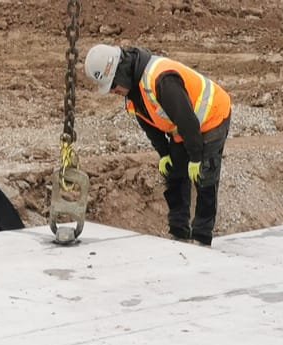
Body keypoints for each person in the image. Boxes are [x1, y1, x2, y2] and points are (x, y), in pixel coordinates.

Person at [84, 43, 232, 246]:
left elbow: (187, 119)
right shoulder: (133, 95)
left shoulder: (161, 79)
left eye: (112, 85)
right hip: (184, 127)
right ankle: (179, 232)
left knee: (205, 176)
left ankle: (202, 237)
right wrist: (164, 153)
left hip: (213, 115)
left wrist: (196, 157)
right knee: (175, 174)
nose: (113, 91)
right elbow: (150, 126)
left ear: (122, 72)